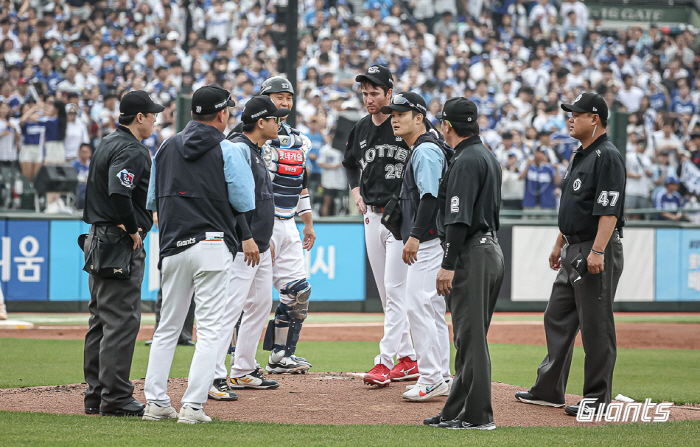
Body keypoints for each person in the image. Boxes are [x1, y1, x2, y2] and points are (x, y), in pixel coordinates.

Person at [142, 84, 255, 424]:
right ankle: (192, 406)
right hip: (212, 244)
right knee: (209, 331)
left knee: (166, 328)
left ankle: (156, 403)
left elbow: (151, 201)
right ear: (222, 114)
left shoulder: (166, 146)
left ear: (193, 113)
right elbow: (244, 200)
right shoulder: (229, 148)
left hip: (173, 244)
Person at [515, 93, 626, 417]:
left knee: (595, 326)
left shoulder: (607, 155)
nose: (569, 118)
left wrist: (597, 251)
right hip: (573, 247)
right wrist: (558, 242)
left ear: (595, 118)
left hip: (594, 246)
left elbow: (609, 211)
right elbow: (574, 207)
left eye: (576, 113)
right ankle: (549, 389)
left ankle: (597, 400)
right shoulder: (582, 154)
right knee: (557, 316)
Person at [423, 97, 504, 430]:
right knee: (468, 339)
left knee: (471, 340)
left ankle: (478, 416)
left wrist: (448, 263)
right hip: (488, 250)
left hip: (472, 252)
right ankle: (455, 410)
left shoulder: (466, 159)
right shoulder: (484, 154)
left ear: (446, 126)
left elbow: (458, 219)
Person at [82, 90, 163, 417]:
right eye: (152, 114)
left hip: (97, 237)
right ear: (139, 117)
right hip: (117, 240)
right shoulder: (132, 148)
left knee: (100, 318)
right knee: (121, 320)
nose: (156, 119)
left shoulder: (106, 142)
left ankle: (96, 394)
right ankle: (115, 398)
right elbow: (120, 192)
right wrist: (132, 229)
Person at [342, 65, 418, 386]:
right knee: (388, 295)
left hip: (398, 216)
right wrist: (356, 190)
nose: (369, 98)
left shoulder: (402, 124)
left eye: (374, 92)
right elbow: (348, 164)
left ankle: (385, 361)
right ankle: (410, 358)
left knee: (396, 291)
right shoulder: (360, 128)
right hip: (371, 216)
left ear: (389, 92)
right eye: (365, 92)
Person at [211, 96, 288, 398]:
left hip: (259, 244)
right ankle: (214, 375)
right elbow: (234, 197)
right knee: (230, 309)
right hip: (245, 245)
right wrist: (245, 235)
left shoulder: (256, 149)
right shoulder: (240, 148)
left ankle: (242, 369)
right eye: (275, 119)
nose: (279, 123)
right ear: (260, 122)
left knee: (260, 305)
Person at [380, 92, 452, 401]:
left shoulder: (424, 150)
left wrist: (415, 236)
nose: (394, 118)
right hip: (433, 240)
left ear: (419, 118)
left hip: (428, 241)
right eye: (392, 113)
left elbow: (430, 197)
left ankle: (432, 376)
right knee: (431, 309)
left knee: (417, 306)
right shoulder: (423, 148)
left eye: (401, 113)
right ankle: (442, 374)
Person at [257, 77, 317, 374]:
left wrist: (307, 222)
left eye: (288, 98)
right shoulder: (252, 138)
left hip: (288, 222)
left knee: (298, 291)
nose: (284, 103)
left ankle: (281, 356)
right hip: (261, 224)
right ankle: (232, 362)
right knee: (247, 299)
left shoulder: (299, 140)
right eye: (278, 97)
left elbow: (300, 184)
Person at [72, 143, 91, 209]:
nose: (85, 154)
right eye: (83, 152)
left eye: (86, 152)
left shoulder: (93, 164)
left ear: (90, 153)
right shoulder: (74, 165)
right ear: (79, 152)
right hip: (79, 191)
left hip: (91, 190)